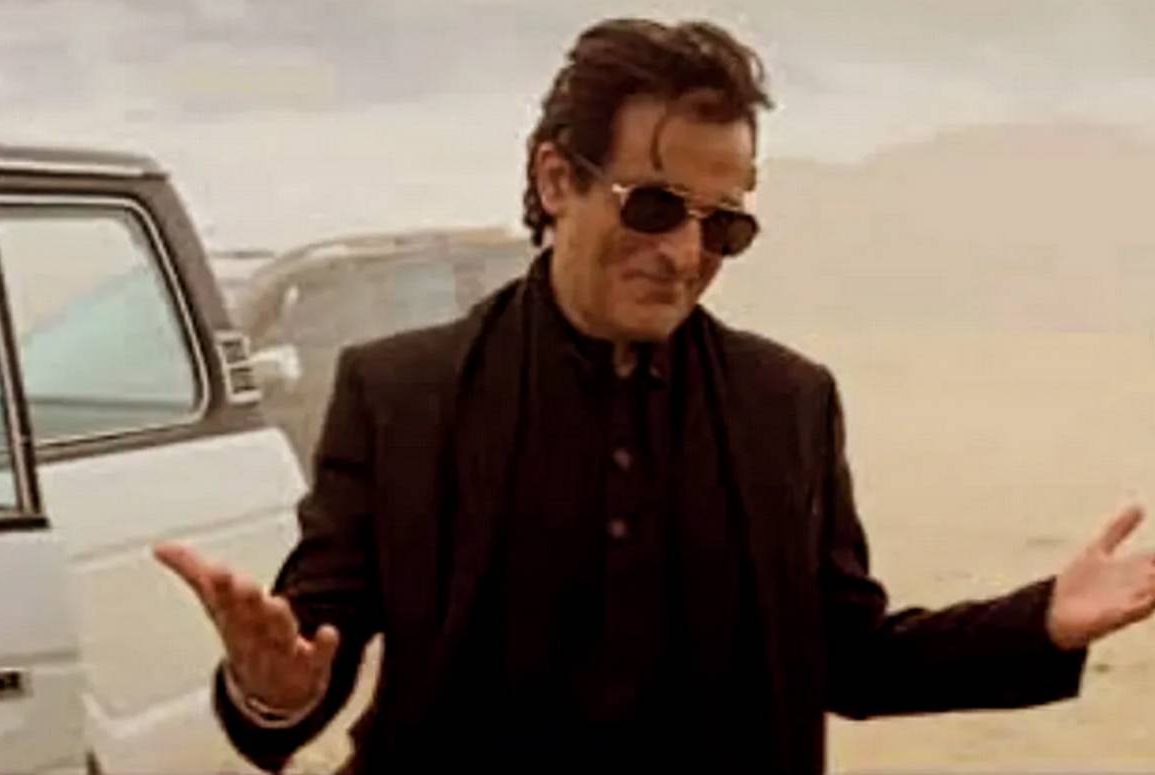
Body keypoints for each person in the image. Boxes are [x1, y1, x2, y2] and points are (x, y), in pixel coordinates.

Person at [154, 18, 1155, 774]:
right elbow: (304, 663)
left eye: (724, 224)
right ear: (557, 179)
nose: (684, 252)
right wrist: (270, 690)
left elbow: (847, 658)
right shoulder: (400, 395)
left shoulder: (788, 404)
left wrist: (1041, 622)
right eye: (656, 205)